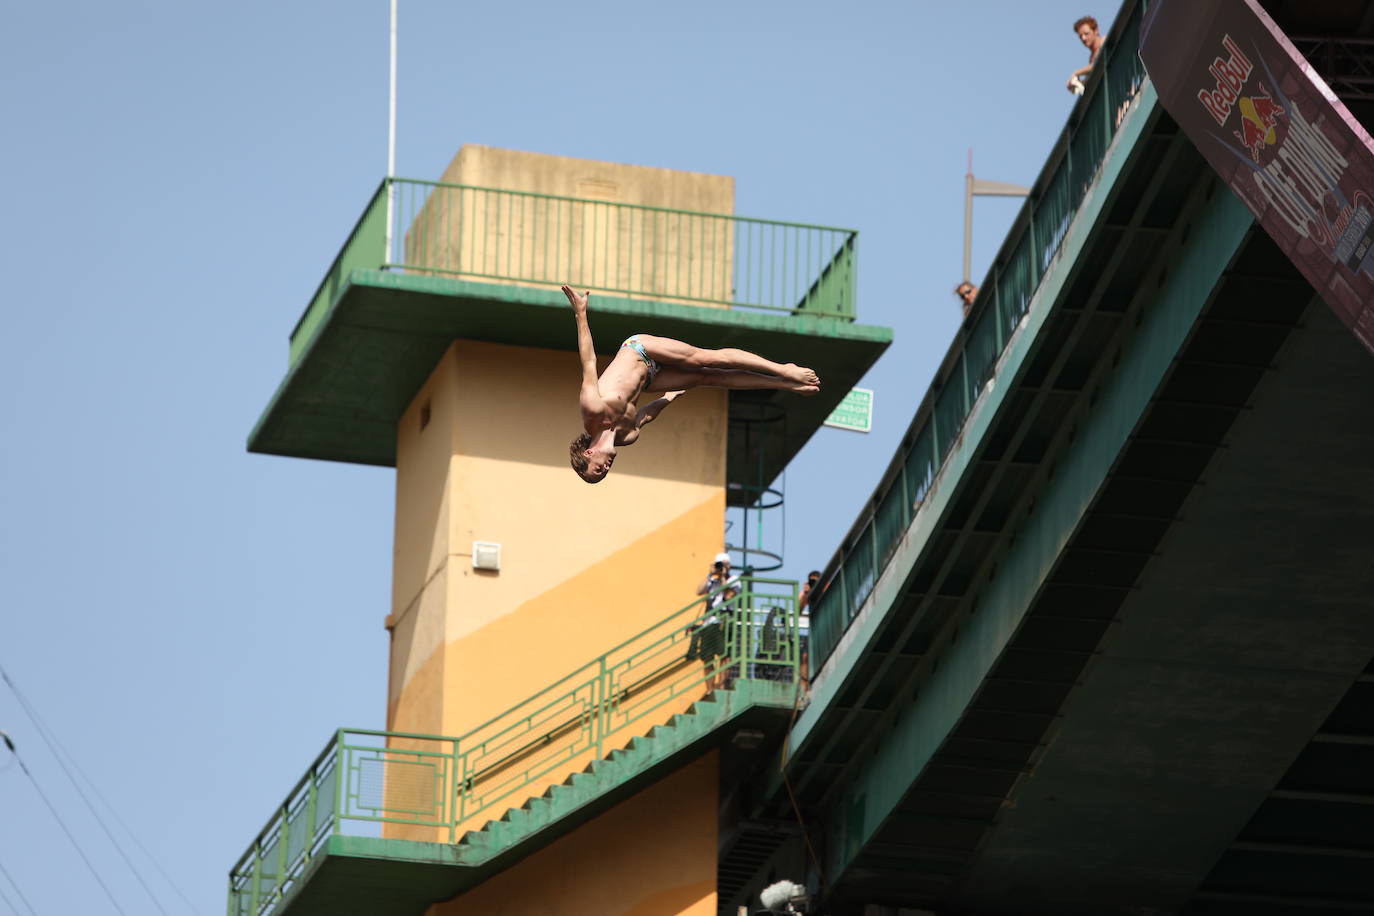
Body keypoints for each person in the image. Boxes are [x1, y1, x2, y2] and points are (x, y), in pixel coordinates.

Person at [562, 286, 821, 483]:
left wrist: (581, 314)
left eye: (599, 468)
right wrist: (668, 398)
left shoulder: (592, 411)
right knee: (708, 378)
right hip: (650, 378)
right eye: (604, 473)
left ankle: (784, 369)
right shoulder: (627, 437)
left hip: (639, 350)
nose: (606, 468)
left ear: (588, 454)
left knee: (705, 359)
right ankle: (783, 384)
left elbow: (589, 361)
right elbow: (644, 416)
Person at [1066, 16, 1105, 95]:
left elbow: (1097, 64)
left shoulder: (1104, 41)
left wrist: (1076, 73)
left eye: (1086, 34)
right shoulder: (1091, 58)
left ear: (1096, 31)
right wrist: (1077, 84)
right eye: (1080, 36)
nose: (1083, 38)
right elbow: (1092, 77)